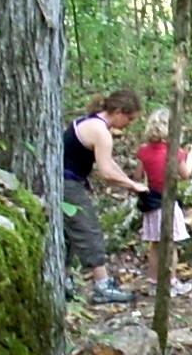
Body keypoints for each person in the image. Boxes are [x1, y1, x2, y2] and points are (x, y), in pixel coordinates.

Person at [61, 89, 147, 304]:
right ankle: (102, 285)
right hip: (66, 184)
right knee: (88, 229)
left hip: (62, 181)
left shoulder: (90, 122)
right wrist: (132, 185)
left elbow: (110, 164)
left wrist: (130, 184)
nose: (129, 123)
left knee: (69, 233)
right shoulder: (101, 132)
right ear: (118, 112)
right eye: (129, 118)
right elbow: (106, 172)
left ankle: (63, 280)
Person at [135, 108, 192, 277]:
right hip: (168, 202)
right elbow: (185, 174)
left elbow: (137, 176)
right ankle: (172, 281)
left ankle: (154, 279)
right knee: (170, 245)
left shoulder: (143, 151)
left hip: (151, 202)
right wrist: (191, 155)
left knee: (155, 244)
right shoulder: (175, 152)